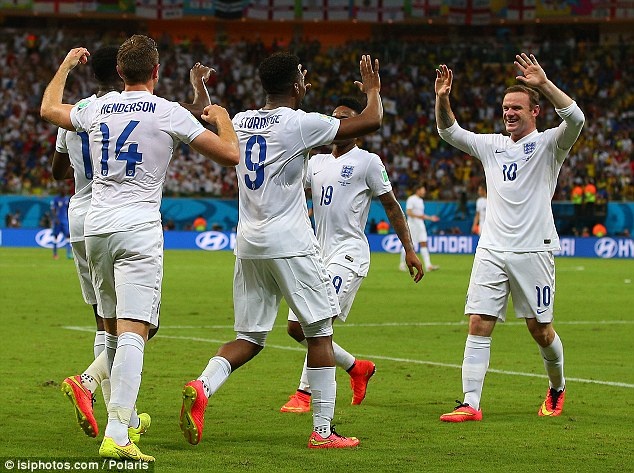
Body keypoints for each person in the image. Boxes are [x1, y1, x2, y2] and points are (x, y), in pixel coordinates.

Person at [41, 35, 240, 461]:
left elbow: (48, 109)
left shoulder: (96, 108)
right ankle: (117, 432)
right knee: (134, 331)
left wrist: (65, 66)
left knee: (111, 330)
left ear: (119, 72)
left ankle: (113, 411)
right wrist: (222, 118)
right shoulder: (166, 111)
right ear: (156, 72)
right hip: (138, 228)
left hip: (96, 229)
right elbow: (229, 154)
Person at [179, 52, 382, 450]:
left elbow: (203, 115)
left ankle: (202, 386)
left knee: (249, 337)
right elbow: (371, 121)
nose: (305, 83)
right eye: (302, 78)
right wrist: (373, 90)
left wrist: (200, 89)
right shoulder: (300, 122)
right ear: (295, 86)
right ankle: (323, 432)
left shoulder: (240, 120)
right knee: (319, 333)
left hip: (248, 243)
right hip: (291, 242)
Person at [434, 53, 584, 422]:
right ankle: (470, 403)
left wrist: (543, 83)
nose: (509, 113)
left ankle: (558, 386)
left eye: (517, 107)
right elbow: (449, 132)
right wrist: (442, 99)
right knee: (478, 321)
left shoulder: (550, 144)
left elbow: (576, 119)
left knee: (540, 330)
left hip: (534, 249)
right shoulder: (492, 145)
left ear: (536, 111)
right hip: (491, 248)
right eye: (505, 108)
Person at [279, 97, 423, 414]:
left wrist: (409, 249)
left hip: (349, 254)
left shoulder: (368, 162)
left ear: (358, 126)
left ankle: (304, 394)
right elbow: (289, 188)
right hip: (316, 254)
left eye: (345, 118)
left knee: (317, 322)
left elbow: (391, 206)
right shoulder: (316, 162)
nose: (338, 122)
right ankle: (357, 368)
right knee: (295, 328)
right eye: (335, 117)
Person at [399, 183, 440, 272]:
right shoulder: (411, 199)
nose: (424, 192)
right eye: (423, 190)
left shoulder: (420, 200)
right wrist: (421, 217)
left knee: (424, 243)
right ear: (418, 190)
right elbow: (408, 212)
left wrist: (430, 218)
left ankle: (428, 265)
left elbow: (421, 214)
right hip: (412, 225)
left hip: (420, 224)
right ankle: (402, 264)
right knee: (409, 245)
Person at [50, 186, 72, 259]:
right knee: (55, 236)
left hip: (65, 221)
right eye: (64, 190)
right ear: (60, 191)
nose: (65, 191)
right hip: (58, 221)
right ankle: (55, 254)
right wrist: (55, 219)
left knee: (68, 236)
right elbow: (53, 209)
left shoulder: (67, 199)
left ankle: (69, 254)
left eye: (65, 190)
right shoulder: (56, 199)